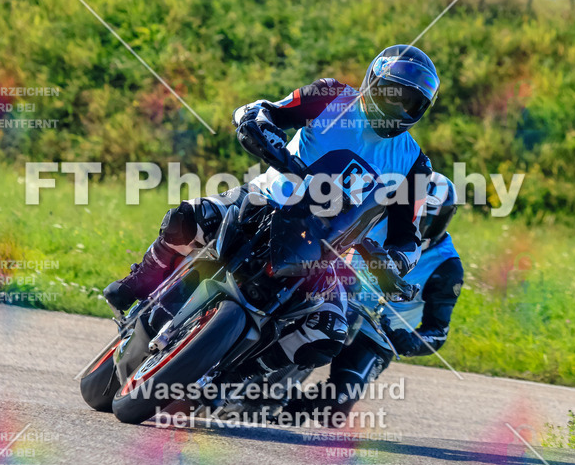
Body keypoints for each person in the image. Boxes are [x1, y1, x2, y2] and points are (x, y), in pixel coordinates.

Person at [103, 45, 440, 372]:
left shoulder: (415, 164)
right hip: (267, 200)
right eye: (392, 94)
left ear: (420, 109)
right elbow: (265, 109)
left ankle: (242, 377)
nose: (397, 106)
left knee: (328, 334)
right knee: (187, 218)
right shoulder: (332, 95)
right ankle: (139, 282)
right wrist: (257, 124)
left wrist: (392, 262)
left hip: (328, 251)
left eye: (408, 102)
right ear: (373, 82)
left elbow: (408, 237)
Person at [284, 173, 463, 422]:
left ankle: (287, 409)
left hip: (376, 336)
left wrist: (410, 342)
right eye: (412, 210)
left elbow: (438, 332)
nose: (416, 222)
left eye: (426, 216)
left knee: (335, 409)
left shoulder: (447, 267)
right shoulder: (377, 215)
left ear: (444, 218)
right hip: (331, 295)